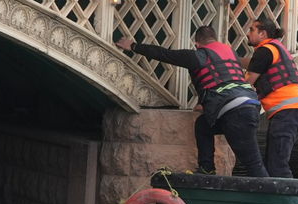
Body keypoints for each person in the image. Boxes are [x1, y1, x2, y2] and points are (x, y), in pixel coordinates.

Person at [115, 27, 269, 177]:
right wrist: (206, 106)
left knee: (253, 165)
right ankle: (207, 169)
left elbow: (165, 54)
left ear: (197, 44)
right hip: (248, 106)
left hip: (235, 112)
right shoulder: (231, 53)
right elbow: (220, 80)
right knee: (203, 125)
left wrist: (133, 46)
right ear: (215, 40)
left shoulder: (199, 56)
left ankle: (270, 199)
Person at [243, 18, 298, 178]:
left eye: (251, 30)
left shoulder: (264, 51)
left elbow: (246, 83)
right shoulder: (274, 49)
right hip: (290, 113)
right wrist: (228, 59)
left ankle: (287, 201)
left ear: (262, 33)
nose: (248, 33)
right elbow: (251, 63)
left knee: (277, 165)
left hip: (286, 114)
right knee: (273, 164)